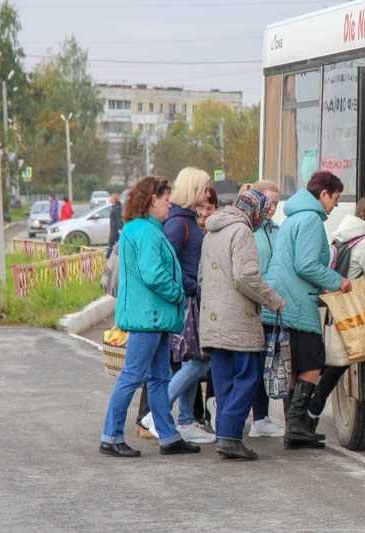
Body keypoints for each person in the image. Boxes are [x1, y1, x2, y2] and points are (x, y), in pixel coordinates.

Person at [99, 176, 199, 457]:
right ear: (153, 200)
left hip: (151, 316)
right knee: (134, 376)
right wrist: (178, 293)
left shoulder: (141, 229)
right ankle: (111, 435)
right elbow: (153, 274)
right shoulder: (147, 232)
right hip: (150, 316)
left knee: (158, 377)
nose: (170, 204)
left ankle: (168, 436)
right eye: (166, 198)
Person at [262, 170, 352, 450]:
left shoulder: (292, 218)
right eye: (335, 198)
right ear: (323, 193)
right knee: (313, 362)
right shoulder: (311, 220)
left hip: (283, 298)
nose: (335, 205)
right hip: (297, 303)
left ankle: (295, 427)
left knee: (297, 365)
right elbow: (306, 265)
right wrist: (339, 282)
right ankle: (298, 426)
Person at [199, 189, 285, 460]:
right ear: (255, 211)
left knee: (224, 382)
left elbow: (203, 277)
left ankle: (227, 435)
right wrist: (273, 300)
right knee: (248, 377)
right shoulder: (242, 232)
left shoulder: (212, 231)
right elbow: (245, 276)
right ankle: (229, 436)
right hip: (237, 319)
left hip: (212, 319)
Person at [307, 196, 365, 419]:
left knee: (339, 363)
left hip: (339, 306)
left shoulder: (343, 234)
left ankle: (309, 412)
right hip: (354, 308)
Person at [163, 167, 215, 444]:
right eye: (205, 187)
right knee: (199, 360)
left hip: (193, 299)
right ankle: (158, 414)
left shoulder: (185, 220)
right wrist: (195, 286)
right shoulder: (178, 224)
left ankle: (184, 420)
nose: (208, 193)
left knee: (195, 359)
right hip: (188, 302)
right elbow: (168, 265)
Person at [243, 180, 284, 438]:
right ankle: (255, 418)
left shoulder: (275, 230)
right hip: (254, 306)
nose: (272, 208)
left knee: (266, 363)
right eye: (269, 202)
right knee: (253, 365)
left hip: (271, 306)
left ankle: (262, 417)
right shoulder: (248, 231)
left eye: (277, 204)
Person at [106, 193, 123, 259]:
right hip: (114, 229)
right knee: (115, 243)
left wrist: (120, 229)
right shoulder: (116, 207)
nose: (109, 199)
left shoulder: (117, 208)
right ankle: (109, 256)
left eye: (111, 198)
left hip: (115, 230)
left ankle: (107, 257)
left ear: (114, 200)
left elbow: (118, 219)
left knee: (111, 243)